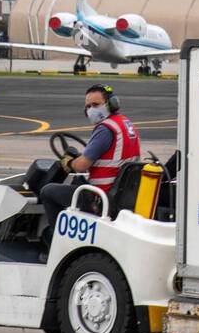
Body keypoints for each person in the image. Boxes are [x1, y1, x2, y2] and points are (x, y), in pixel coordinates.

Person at [39, 84, 142, 234]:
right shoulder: (125, 123)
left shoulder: (105, 129)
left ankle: (56, 240)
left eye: (95, 105)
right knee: (76, 183)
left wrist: (69, 162)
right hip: (120, 196)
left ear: (111, 104)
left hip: (100, 198)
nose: (91, 110)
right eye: (87, 107)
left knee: (48, 191)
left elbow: (81, 166)